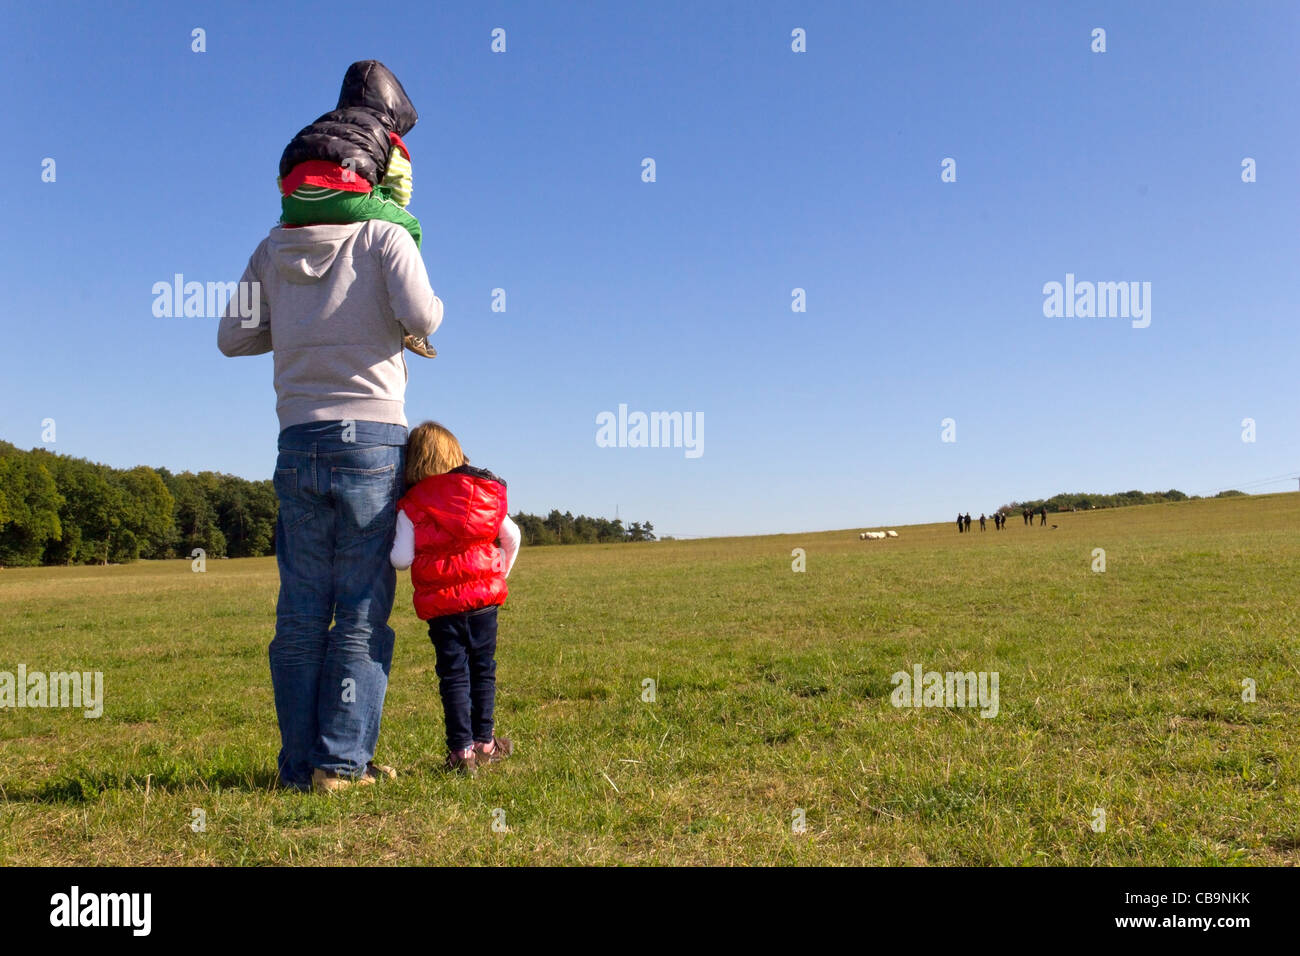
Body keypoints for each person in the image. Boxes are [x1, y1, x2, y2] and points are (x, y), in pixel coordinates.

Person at [218, 194, 444, 793]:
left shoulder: (272, 248)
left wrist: (302, 328)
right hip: (372, 438)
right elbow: (423, 318)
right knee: (362, 611)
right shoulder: (384, 237)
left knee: (300, 612)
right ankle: (340, 764)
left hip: (297, 438)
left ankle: (298, 768)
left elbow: (230, 337)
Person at [278, 60, 435, 359]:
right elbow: (401, 188)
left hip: (293, 202)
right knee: (410, 228)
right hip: (346, 194)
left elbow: (288, 166)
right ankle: (411, 327)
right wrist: (384, 216)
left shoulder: (320, 124)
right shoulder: (388, 135)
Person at [391, 422, 521, 775]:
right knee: (484, 670)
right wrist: (494, 577)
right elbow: (512, 537)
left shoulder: (411, 505)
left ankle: (461, 752)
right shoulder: (483, 494)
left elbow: (401, 559)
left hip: (443, 608)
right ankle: (486, 742)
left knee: (453, 676)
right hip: (484, 604)